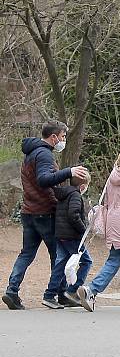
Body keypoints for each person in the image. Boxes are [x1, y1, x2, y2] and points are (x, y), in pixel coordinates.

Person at [3, 120, 89, 310]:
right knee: (58, 256)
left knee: (26, 254)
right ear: (53, 137)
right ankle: (58, 294)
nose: (63, 140)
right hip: (45, 212)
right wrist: (69, 172)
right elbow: (43, 180)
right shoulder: (44, 154)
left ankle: (12, 290)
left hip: (28, 211)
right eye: (63, 137)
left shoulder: (31, 153)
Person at [78, 146, 120, 312]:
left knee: (113, 260)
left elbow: (107, 203)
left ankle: (91, 289)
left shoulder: (112, 178)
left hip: (113, 222)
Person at [52, 173, 93, 307]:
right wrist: (83, 229)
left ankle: (49, 293)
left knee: (61, 264)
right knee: (86, 261)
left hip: (61, 234)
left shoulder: (63, 194)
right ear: (82, 186)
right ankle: (72, 290)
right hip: (72, 236)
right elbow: (73, 215)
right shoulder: (75, 195)